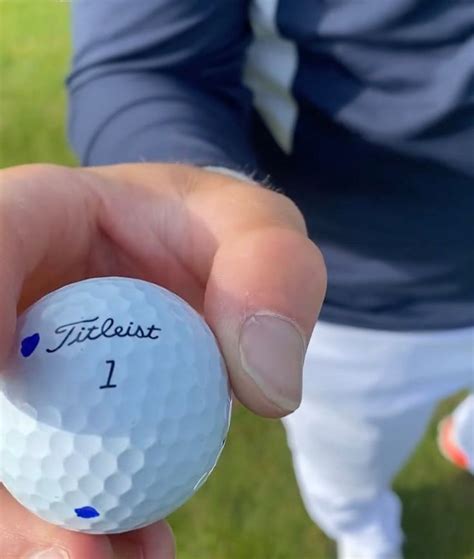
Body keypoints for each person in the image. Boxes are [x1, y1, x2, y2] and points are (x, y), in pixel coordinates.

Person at [1, 1, 472, 558]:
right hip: (355, 311)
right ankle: (363, 526)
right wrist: (183, 203)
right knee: (351, 468)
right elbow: (148, 62)